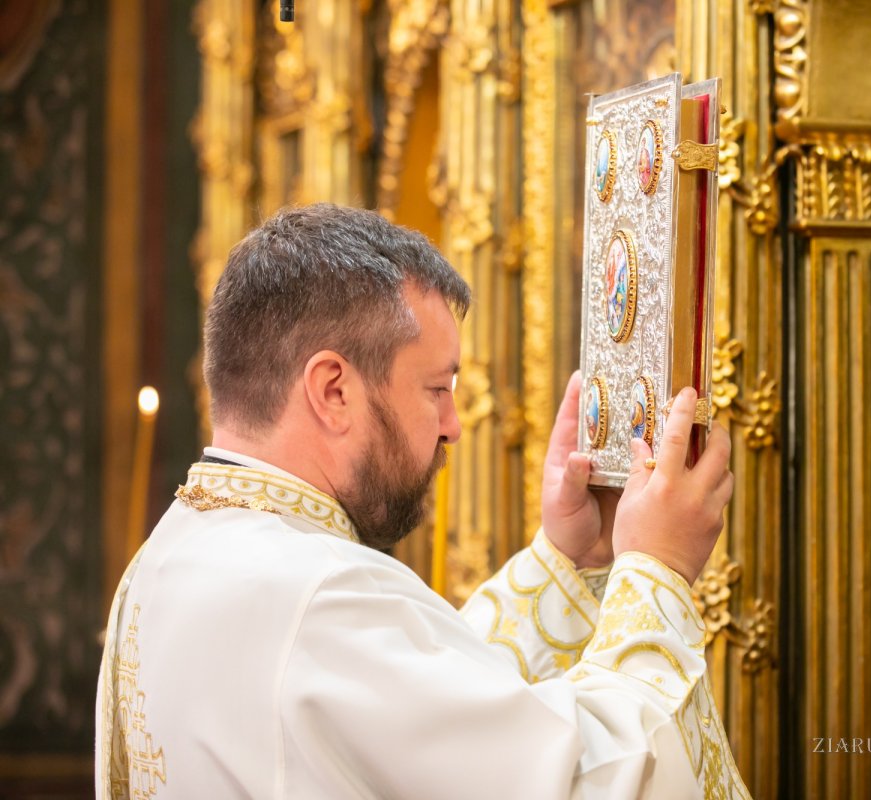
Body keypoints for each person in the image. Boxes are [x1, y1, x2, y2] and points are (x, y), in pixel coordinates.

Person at [96, 204, 747, 798]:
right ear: (333, 390)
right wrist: (657, 568)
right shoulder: (315, 594)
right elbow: (583, 780)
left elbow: (421, 722)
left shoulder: (171, 557)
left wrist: (561, 562)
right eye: (437, 388)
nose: (453, 425)